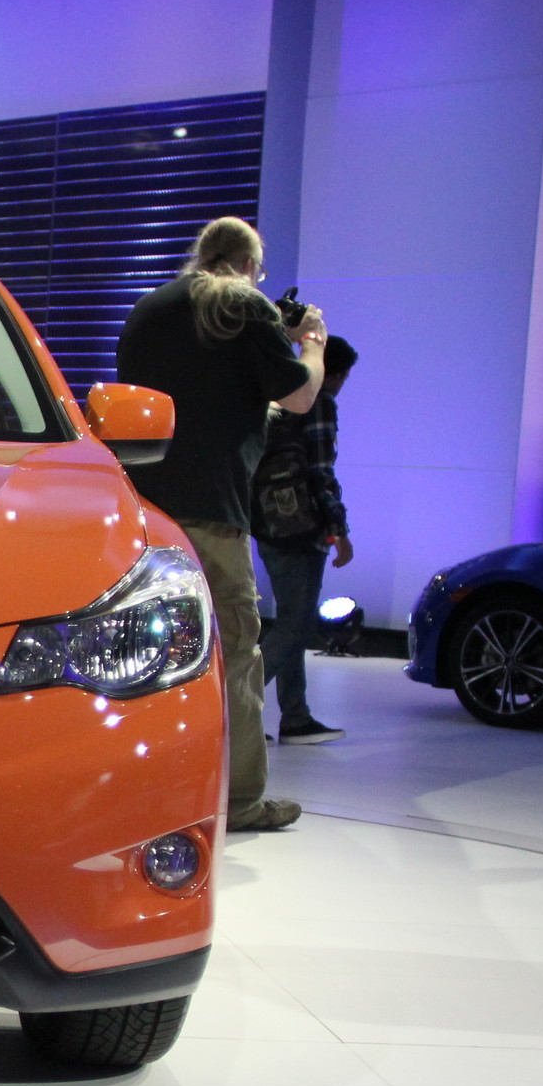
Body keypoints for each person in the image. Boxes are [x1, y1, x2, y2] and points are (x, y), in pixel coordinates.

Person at [115, 217, 326, 833]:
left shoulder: (148, 309)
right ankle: (240, 801)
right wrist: (309, 341)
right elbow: (299, 397)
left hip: (143, 513)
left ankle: (142, 792)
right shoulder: (241, 304)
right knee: (235, 654)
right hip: (213, 513)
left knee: (140, 655)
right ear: (245, 266)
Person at [253, 335, 358, 744]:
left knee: (289, 621)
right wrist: (339, 530)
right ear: (336, 374)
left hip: (268, 521)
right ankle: (231, 709)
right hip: (301, 526)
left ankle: (295, 716)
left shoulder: (280, 400)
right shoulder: (320, 403)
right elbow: (321, 472)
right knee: (296, 625)